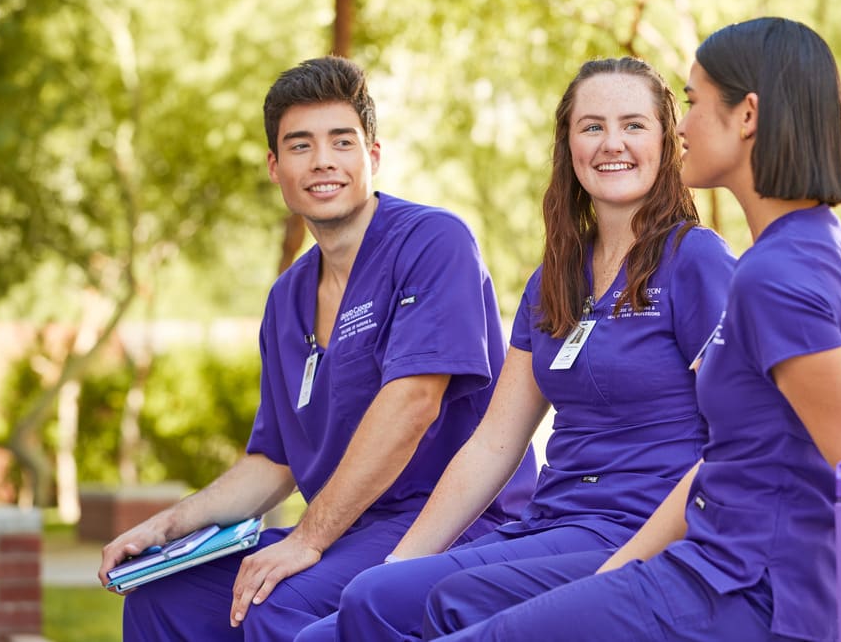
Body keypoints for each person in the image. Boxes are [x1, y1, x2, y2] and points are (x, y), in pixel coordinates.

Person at [417, 17, 841, 642]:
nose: (681, 127)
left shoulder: (772, 275)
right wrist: (613, 577)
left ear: (747, 115)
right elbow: (729, 459)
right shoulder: (805, 249)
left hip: (747, 590)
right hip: (701, 569)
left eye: (691, 103)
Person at [293, 56, 736, 642]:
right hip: (548, 525)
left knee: (378, 602)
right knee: (326, 629)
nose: (612, 144)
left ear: (665, 140)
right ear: (569, 145)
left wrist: (389, 583)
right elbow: (495, 444)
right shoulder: (552, 279)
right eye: (592, 126)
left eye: (633, 125)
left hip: (637, 535)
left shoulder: (696, 261)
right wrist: (404, 562)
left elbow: (740, 437)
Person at [96, 56, 537, 642]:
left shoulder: (434, 242)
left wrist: (307, 539)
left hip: (453, 522)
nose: (323, 160)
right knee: (162, 597)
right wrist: (167, 528)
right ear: (275, 169)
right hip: (348, 529)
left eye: (341, 141)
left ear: (373, 156)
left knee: (276, 603)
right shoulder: (286, 299)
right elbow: (273, 462)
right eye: (300, 146)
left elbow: (413, 404)